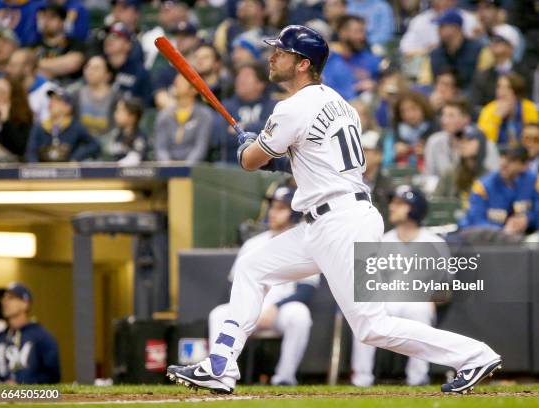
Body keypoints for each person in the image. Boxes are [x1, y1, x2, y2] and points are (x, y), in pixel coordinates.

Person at [167, 24, 501, 395]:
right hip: (326, 221)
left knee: (371, 326)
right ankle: (221, 365)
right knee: (252, 266)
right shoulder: (341, 103)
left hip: (340, 222)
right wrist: (260, 147)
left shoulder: (292, 107)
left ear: (302, 64)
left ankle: (473, 355)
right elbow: (302, 161)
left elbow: (249, 162)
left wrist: (250, 145)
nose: (273, 56)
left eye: (282, 52)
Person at [209, 186, 319, 386]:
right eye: (272, 207)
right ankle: (219, 374)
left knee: (299, 314)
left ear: (294, 213)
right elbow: (233, 285)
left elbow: (306, 290)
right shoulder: (253, 243)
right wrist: (246, 312)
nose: (273, 212)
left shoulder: (305, 243)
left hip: (280, 310)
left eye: (281, 208)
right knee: (218, 314)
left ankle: (284, 378)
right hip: (251, 307)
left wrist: (274, 308)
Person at [351, 186, 446, 387]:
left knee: (419, 310)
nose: (392, 207)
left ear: (415, 208)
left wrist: (433, 299)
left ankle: (418, 379)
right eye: (393, 203)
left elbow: (446, 287)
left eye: (400, 203)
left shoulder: (434, 242)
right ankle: (362, 379)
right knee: (365, 314)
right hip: (387, 302)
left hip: (418, 302)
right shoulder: (382, 241)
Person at [459, 145, 537, 235]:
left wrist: (527, 219)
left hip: (514, 237)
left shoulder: (533, 181)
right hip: (476, 237)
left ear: (524, 166)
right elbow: (477, 221)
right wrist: (502, 231)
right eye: (502, 158)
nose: (504, 164)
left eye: (511, 160)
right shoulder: (483, 186)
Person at [0, 283, 60, 384]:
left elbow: (52, 376)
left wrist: (22, 385)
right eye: (4, 298)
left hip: (31, 398)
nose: (5, 302)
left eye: (11, 298)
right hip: (1, 397)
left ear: (25, 303)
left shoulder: (41, 336)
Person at [210, 62, 275, 163]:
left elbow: (274, 134)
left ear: (260, 84)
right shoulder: (227, 106)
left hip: (265, 165)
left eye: (247, 75)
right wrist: (258, 132)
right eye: (239, 75)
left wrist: (243, 128)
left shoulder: (273, 106)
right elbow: (218, 137)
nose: (240, 79)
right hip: (231, 164)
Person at [425, 98, 499, 179]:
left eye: (451, 116)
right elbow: (430, 177)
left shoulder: (486, 144)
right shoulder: (434, 142)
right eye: (443, 115)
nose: (444, 121)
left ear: (466, 119)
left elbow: (494, 175)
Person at [25, 87, 100, 162]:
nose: (52, 102)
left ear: (68, 107)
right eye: (51, 99)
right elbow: (31, 150)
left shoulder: (75, 126)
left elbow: (94, 145)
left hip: (67, 170)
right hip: (44, 169)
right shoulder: (40, 126)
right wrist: (34, 165)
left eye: (57, 100)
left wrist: (76, 157)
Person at [155, 73, 213, 164]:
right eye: (176, 81)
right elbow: (161, 148)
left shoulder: (204, 115)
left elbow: (201, 147)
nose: (176, 82)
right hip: (168, 170)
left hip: (194, 170)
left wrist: (185, 167)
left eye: (182, 80)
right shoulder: (164, 115)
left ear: (193, 89)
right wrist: (168, 166)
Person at [322, 14, 380, 101]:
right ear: (342, 33)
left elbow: (384, 83)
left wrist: (376, 86)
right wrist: (355, 89)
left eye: (363, 32)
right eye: (357, 32)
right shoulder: (329, 62)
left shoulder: (371, 59)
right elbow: (325, 92)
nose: (362, 37)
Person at [478, 72, 539, 146]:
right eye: (498, 87)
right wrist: (496, 119)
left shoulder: (529, 107)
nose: (501, 91)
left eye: (507, 88)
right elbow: (486, 144)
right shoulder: (488, 111)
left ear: (516, 92)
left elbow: (534, 137)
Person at [399, 0, 478, 57]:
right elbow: (404, 50)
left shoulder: (468, 18)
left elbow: (475, 47)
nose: (438, 2)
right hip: (429, 65)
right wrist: (430, 52)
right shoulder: (419, 21)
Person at [429, 8, 482, 92]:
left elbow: (481, 82)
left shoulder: (477, 49)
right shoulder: (436, 53)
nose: (438, 30)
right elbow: (429, 82)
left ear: (455, 28)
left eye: (442, 26)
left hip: (471, 98)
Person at [471, 24, 522, 109]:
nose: (493, 43)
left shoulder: (523, 73)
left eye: (499, 40)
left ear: (511, 46)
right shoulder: (482, 76)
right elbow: (476, 105)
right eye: (492, 40)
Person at [383, 91, 437, 170]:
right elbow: (385, 165)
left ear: (423, 108)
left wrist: (427, 152)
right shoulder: (393, 134)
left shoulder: (436, 130)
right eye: (403, 111)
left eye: (413, 109)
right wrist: (394, 154)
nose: (409, 115)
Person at [434, 132, 490, 209]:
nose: (462, 144)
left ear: (481, 145)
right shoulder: (450, 173)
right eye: (461, 141)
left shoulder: (488, 177)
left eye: (468, 140)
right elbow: (435, 202)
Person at [33, 2, 85, 85]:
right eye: (44, 17)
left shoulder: (74, 43)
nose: (46, 21)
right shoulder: (33, 45)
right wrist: (58, 67)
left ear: (62, 22)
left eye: (52, 17)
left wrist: (35, 63)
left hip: (69, 90)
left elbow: (72, 64)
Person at [104, 22, 151, 104]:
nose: (109, 40)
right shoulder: (98, 66)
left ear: (128, 45)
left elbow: (144, 105)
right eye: (108, 36)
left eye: (116, 37)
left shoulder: (139, 72)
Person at [5, 48, 55, 122]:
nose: (7, 69)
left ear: (27, 68)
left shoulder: (49, 91)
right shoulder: (10, 90)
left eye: (13, 65)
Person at [74, 55, 118, 138]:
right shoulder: (76, 94)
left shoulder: (117, 98)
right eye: (88, 67)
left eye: (96, 68)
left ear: (108, 75)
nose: (90, 71)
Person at [0, 76, 32, 161]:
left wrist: (6, 121)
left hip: (11, 168)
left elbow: (20, 149)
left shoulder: (23, 119)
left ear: (13, 97)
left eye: (1, 93)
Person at [100, 95, 147, 165]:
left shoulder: (139, 136)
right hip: (114, 174)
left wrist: (115, 166)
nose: (115, 114)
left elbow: (135, 157)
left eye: (120, 111)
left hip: (135, 174)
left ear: (132, 117)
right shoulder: (116, 134)